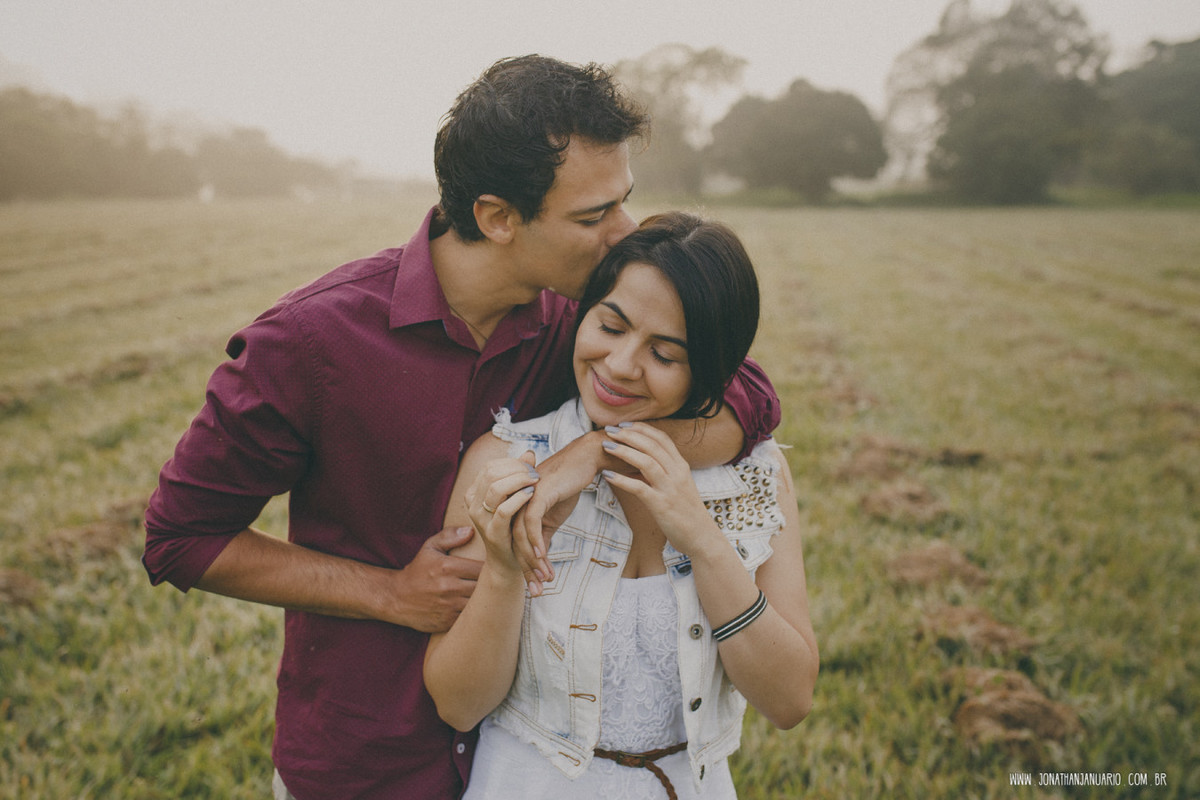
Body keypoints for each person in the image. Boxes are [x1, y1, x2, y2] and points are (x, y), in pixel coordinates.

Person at [141, 55, 781, 800]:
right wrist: (391, 593)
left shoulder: (585, 327)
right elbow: (180, 539)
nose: (623, 233)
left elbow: (748, 395)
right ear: (497, 217)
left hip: (525, 763)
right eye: (591, 215)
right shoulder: (308, 343)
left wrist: (595, 451)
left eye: (622, 202)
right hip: (365, 760)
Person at [424, 212, 818, 800]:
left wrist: (703, 540)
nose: (621, 365)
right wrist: (506, 571)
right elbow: (457, 705)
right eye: (611, 326)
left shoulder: (753, 475)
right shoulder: (505, 462)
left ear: (710, 371)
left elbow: (789, 702)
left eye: (665, 354)